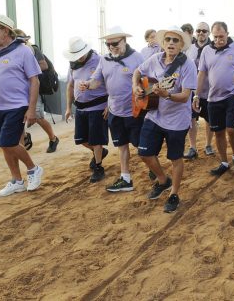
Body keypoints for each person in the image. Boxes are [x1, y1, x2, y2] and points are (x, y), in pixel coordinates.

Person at [134, 26, 197, 212]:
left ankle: (174, 193)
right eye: (168, 39)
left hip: (177, 120)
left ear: (181, 45)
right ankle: (163, 180)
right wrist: (135, 87)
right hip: (154, 115)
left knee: (175, 158)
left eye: (175, 40)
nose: (171, 43)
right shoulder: (154, 59)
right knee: (144, 153)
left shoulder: (188, 65)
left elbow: (185, 96)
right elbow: (138, 71)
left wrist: (167, 94)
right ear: (162, 43)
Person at [79, 26, 145, 193]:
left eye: (115, 43)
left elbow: (147, 82)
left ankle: (153, 170)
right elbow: (97, 81)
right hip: (115, 111)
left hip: (135, 111)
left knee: (141, 146)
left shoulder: (137, 58)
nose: (111, 47)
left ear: (124, 41)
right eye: (108, 45)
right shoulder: (104, 59)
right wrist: (88, 85)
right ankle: (125, 178)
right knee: (122, 145)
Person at [0, 14, 44, 197]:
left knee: (8, 142)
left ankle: (33, 169)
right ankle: (17, 181)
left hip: (16, 105)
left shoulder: (23, 51)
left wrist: (31, 109)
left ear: (5, 31)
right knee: (5, 146)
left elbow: (34, 81)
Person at [194, 21, 234, 175]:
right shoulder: (206, 50)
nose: (218, 40)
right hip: (213, 98)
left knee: (231, 129)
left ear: (227, 33)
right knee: (218, 132)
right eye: (215, 37)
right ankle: (224, 162)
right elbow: (202, 73)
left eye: (221, 36)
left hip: (233, 95)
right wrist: (197, 95)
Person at [63, 36, 109, 183]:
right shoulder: (73, 64)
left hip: (98, 106)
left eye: (81, 54)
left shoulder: (99, 60)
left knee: (96, 139)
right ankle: (100, 152)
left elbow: (110, 83)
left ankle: (98, 167)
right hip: (81, 108)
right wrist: (68, 107)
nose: (80, 57)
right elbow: (70, 86)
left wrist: (109, 105)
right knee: (81, 139)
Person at [14, 29, 59, 153]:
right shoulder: (11, 52)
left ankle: (53, 138)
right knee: (18, 117)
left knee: (38, 116)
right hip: (18, 90)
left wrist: (26, 68)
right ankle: (24, 144)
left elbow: (44, 65)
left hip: (33, 87)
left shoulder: (33, 49)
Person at [184, 22, 214, 158]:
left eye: (204, 31)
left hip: (209, 91)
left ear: (209, 33)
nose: (201, 33)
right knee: (191, 119)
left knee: (209, 120)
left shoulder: (214, 48)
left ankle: (208, 144)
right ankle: (193, 147)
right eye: (199, 30)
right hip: (191, 91)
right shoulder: (188, 49)